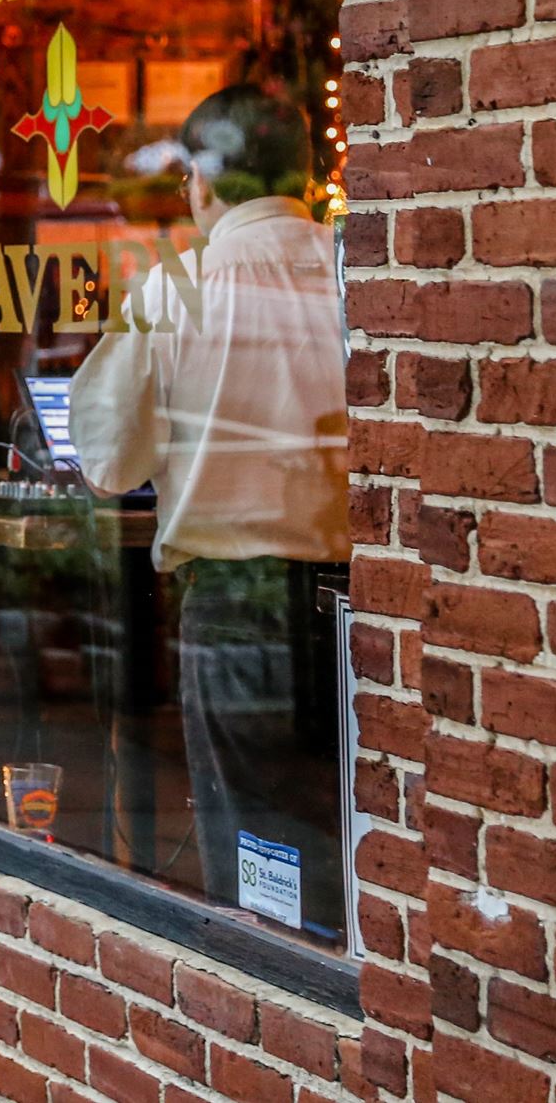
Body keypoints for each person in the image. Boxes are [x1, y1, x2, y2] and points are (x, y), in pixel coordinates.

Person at [68, 83, 349, 937]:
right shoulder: (358, 271)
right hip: (370, 604)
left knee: (260, 872)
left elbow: (108, 460)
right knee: (361, 846)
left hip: (237, 605)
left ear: (200, 179)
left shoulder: (175, 289)